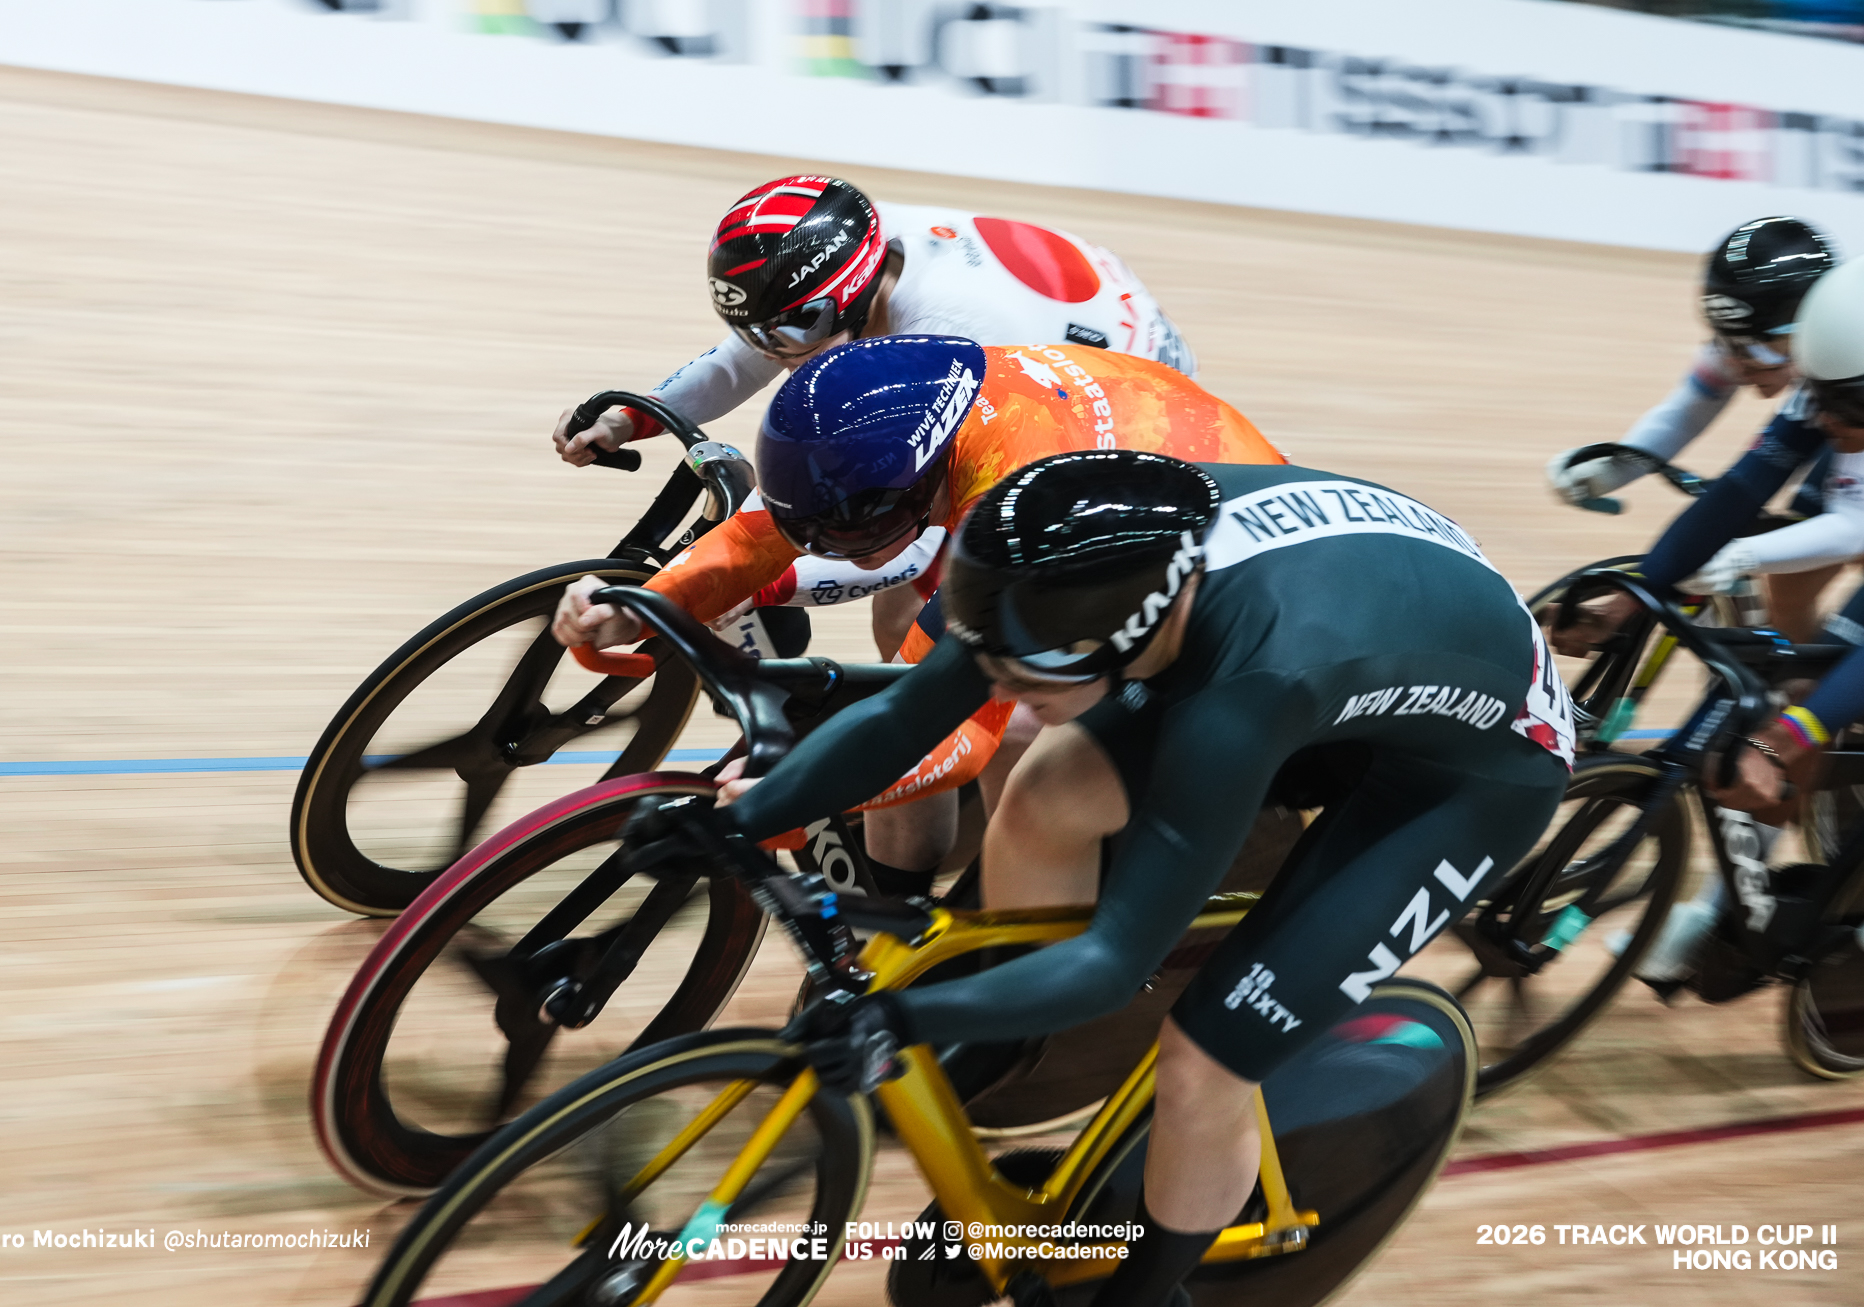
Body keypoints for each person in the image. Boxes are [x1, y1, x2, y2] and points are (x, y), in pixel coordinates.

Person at [625, 450, 1572, 1307]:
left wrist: (897, 1018)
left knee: (1207, 1057)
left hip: (1471, 771)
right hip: (1356, 651)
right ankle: (1025, 1041)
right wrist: (736, 818)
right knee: (1043, 788)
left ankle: (1150, 1291)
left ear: (1133, 631)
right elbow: (909, 715)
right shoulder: (1055, 576)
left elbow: (1119, 958)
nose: (999, 687)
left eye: (1026, 671)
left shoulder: (1239, 691)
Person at [555, 335, 1285, 890]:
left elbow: (957, 727)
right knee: (897, 696)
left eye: (842, 535)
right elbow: (754, 540)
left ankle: (1043, 927)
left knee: (1021, 732)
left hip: (1227, 573)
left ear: (914, 486)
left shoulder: (1000, 496)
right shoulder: (891, 424)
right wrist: (647, 606)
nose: (819, 550)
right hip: (1123, 476)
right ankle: (897, 913)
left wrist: (813, 784)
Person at [554, 174, 1201, 656]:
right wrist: (631, 419)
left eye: (797, 330)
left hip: (1124, 380)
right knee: (898, 621)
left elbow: (909, 542)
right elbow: (748, 353)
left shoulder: (949, 334)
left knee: (942, 599)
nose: (781, 355)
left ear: (858, 295)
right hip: (1072, 297)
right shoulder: (837, 251)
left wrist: (761, 583)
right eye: (763, 331)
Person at [1552, 254, 1864, 985]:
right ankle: (1725, 905)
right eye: (1813, 396)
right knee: (1802, 674)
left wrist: (1789, 737)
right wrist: (1635, 597)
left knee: (1798, 721)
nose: (1817, 416)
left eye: (1841, 408)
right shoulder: (1831, 384)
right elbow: (1736, 492)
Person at [1547, 217, 1840, 641]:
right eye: (1726, 343)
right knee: (1790, 592)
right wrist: (1610, 470)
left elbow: (1764, 487)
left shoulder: (1840, 367)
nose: (1738, 363)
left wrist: (1739, 555)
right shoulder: (1751, 340)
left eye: (1754, 349)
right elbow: (1684, 414)